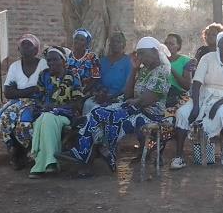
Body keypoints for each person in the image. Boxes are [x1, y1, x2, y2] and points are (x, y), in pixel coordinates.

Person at [60, 38, 172, 175]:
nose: (140, 58)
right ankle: (88, 156)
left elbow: (146, 101)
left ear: (155, 52)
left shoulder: (162, 72)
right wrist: (134, 70)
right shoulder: (144, 70)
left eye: (142, 54)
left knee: (98, 116)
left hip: (149, 115)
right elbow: (127, 94)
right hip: (134, 110)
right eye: (138, 54)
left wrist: (133, 102)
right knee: (98, 115)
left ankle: (87, 155)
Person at [171, 30, 223, 168]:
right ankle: (179, 156)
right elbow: (196, 83)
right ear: (218, 44)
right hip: (203, 95)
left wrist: (217, 104)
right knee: (182, 113)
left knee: (222, 113)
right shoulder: (207, 58)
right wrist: (195, 105)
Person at [27, 46, 85, 178]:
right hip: (45, 113)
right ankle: (50, 163)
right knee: (44, 118)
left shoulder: (72, 75)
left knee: (45, 119)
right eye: (49, 60)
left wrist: (57, 108)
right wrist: (45, 106)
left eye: (55, 60)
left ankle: (43, 164)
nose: (51, 63)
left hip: (66, 115)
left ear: (63, 60)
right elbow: (37, 98)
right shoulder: (44, 75)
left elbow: (77, 103)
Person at [0, 33, 48, 169]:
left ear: (36, 49)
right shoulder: (14, 66)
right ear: (19, 49)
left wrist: (19, 91)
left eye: (29, 45)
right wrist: (31, 89)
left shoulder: (43, 64)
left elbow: (43, 89)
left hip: (38, 102)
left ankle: (27, 152)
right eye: (23, 45)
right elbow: (8, 92)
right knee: (4, 118)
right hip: (18, 101)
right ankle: (14, 151)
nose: (26, 48)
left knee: (24, 122)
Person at [84, 31, 132, 113]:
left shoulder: (128, 62)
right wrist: (100, 92)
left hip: (119, 97)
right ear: (109, 44)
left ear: (123, 45)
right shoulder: (103, 61)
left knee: (108, 109)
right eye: (113, 41)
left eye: (118, 42)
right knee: (88, 104)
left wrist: (113, 96)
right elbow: (98, 80)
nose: (115, 44)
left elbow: (128, 84)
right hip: (102, 95)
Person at [164, 32, 194, 107]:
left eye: (171, 44)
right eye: (166, 43)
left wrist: (170, 67)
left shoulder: (185, 60)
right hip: (161, 95)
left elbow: (187, 86)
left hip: (177, 97)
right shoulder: (159, 59)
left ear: (178, 46)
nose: (167, 46)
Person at [66, 28, 101, 92]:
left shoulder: (92, 57)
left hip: (87, 91)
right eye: (76, 38)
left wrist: (83, 92)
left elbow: (95, 78)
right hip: (70, 90)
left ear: (86, 43)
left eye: (82, 40)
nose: (78, 41)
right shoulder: (69, 56)